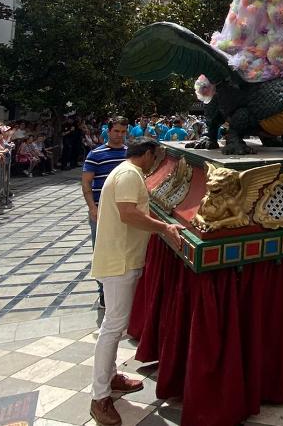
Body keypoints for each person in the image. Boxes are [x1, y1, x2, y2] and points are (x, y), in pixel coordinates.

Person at [89, 139, 183, 426]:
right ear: (147, 154)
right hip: (120, 262)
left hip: (121, 258)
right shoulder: (129, 174)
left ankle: (112, 377)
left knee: (115, 326)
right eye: (156, 156)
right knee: (113, 327)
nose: (157, 162)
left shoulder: (126, 171)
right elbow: (129, 213)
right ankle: (99, 397)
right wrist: (165, 227)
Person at [82, 118, 129, 308]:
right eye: (116, 131)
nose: (119, 135)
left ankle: (121, 290)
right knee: (101, 250)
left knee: (123, 250)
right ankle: (103, 293)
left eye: (123, 131)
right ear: (108, 131)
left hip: (124, 210)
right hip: (101, 210)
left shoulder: (129, 154)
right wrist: (92, 208)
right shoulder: (95, 154)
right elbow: (86, 183)